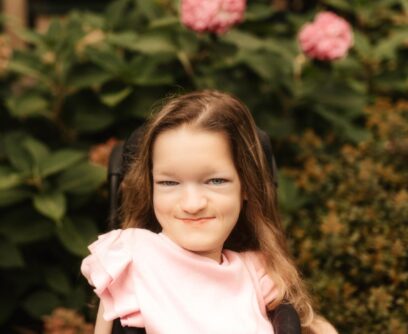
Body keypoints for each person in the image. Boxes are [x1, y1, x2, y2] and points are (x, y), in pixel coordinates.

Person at [81, 90, 337, 334]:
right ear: (151, 187)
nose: (192, 204)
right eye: (169, 183)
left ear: (246, 185)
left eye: (216, 181)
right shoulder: (131, 260)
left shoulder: (257, 272)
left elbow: (303, 319)